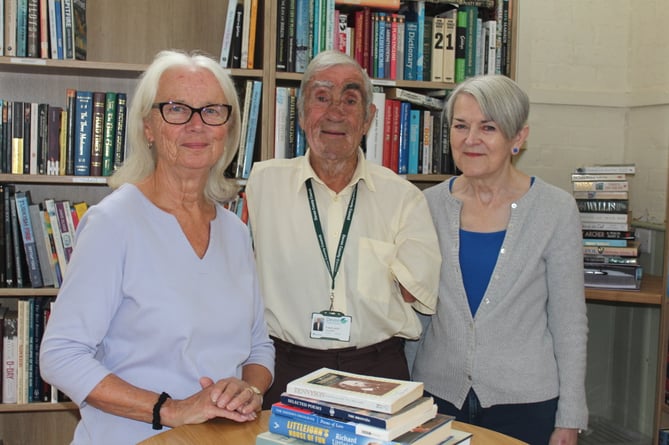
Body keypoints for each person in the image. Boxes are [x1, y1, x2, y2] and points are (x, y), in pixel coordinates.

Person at [39, 50, 275, 444]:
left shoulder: (235, 231)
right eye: (177, 109)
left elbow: (258, 346)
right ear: (148, 126)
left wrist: (249, 391)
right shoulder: (113, 224)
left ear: (228, 128)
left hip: (219, 437)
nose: (196, 125)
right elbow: (61, 355)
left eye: (212, 111)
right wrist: (172, 409)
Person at [245, 50, 441, 409]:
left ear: (368, 118)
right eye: (321, 98)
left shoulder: (404, 198)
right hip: (284, 367)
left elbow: (415, 295)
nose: (335, 112)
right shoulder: (261, 185)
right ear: (302, 113)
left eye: (350, 100)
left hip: (376, 369)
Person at [410, 75, 588, 445]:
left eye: (487, 128)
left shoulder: (555, 210)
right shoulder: (426, 206)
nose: (470, 139)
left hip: (526, 403)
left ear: (518, 138)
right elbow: (418, 315)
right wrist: (406, 394)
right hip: (437, 398)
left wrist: (570, 417)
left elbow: (569, 322)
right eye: (460, 126)